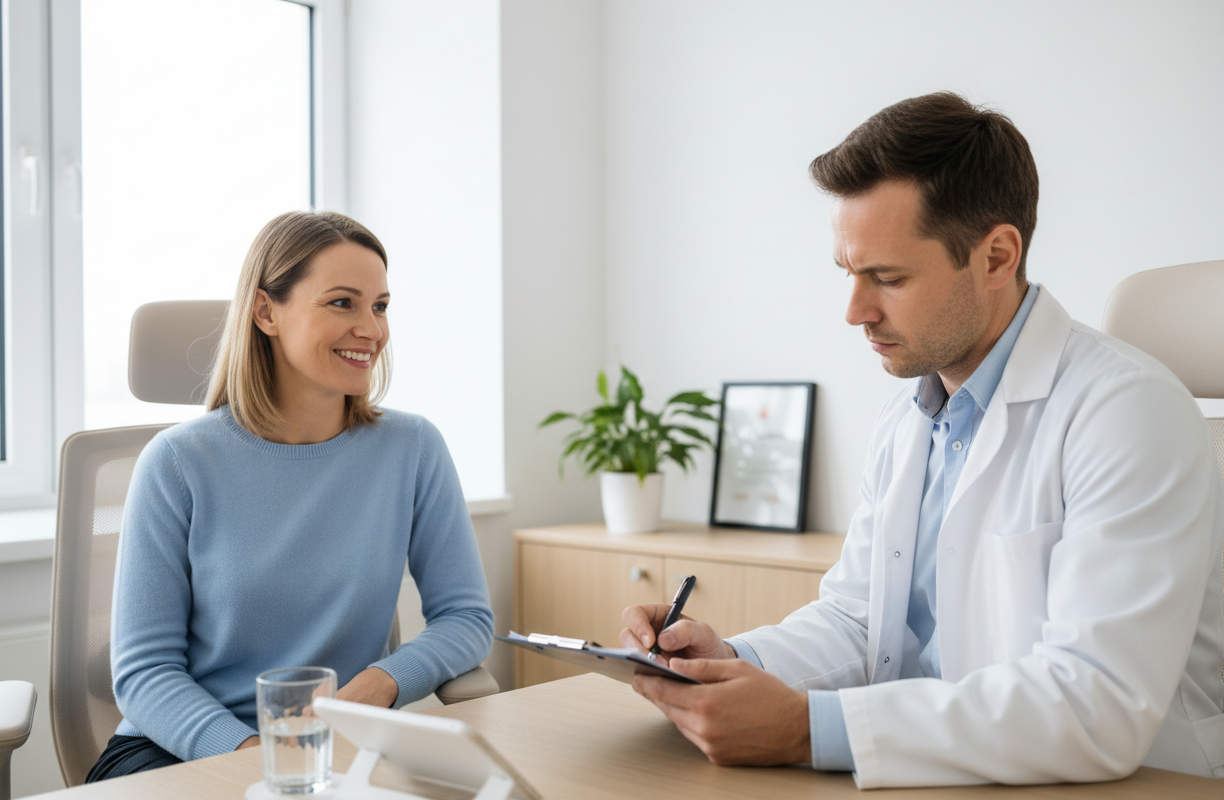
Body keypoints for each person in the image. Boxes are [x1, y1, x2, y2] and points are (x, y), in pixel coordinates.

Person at [620, 93, 1224, 787]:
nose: (856, 312)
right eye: (850, 274)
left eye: (889, 278)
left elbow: (1096, 704)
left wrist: (805, 728)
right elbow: (859, 622)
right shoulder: (908, 418)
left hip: (1128, 782)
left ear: (997, 256)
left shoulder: (1128, 413)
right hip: (941, 775)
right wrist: (727, 661)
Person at [90, 211, 494, 780]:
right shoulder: (176, 463)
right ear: (265, 312)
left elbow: (466, 617)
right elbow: (144, 674)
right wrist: (255, 756)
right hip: (183, 752)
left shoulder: (413, 448)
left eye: (379, 306)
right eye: (342, 303)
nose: (372, 329)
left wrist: (385, 682)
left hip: (335, 751)